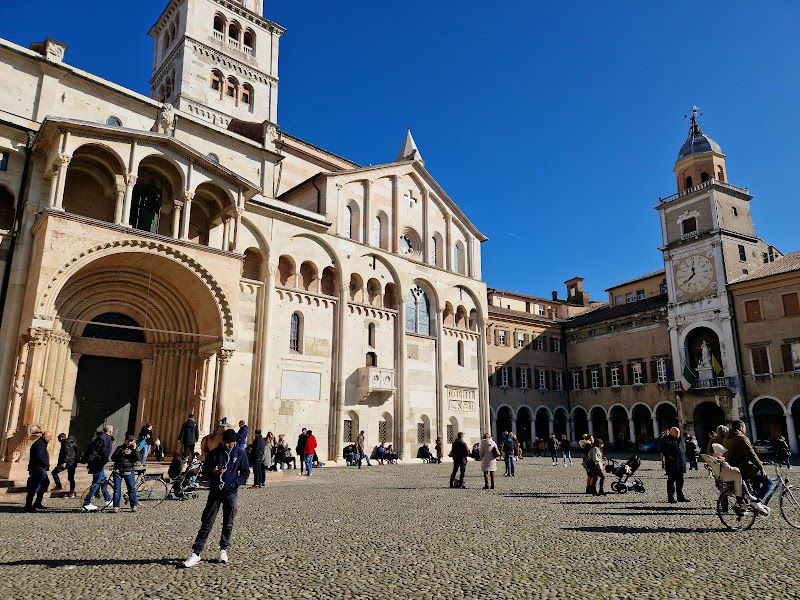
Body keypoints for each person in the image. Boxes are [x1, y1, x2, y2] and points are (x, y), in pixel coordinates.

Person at [184, 428, 250, 568]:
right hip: (215, 492)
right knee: (207, 522)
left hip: (230, 493)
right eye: (225, 442)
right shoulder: (215, 453)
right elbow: (205, 472)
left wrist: (234, 483)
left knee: (228, 522)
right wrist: (212, 471)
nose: (227, 444)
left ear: (234, 442)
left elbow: (245, 472)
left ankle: (223, 549)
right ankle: (196, 553)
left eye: (229, 442)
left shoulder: (240, 454)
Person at [707, 443, 768, 515]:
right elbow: (728, 468)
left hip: (723, 478)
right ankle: (748, 495)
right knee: (740, 477)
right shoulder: (721, 460)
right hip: (730, 478)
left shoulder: (715, 459)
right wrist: (737, 469)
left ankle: (742, 500)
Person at [723, 420, 772, 501]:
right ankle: (757, 502)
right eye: (745, 427)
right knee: (768, 482)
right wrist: (761, 467)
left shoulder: (726, 438)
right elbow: (751, 454)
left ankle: (753, 497)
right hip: (744, 468)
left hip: (733, 467)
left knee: (756, 481)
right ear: (741, 428)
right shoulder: (742, 438)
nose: (745, 430)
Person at [82, 425, 115, 512]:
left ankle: (108, 499)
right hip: (97, 463)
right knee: (97, 482)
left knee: (103, 481)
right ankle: (87, 503)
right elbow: (100, 451)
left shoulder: (102, 437)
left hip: (98, 463)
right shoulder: (104, 438)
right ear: (110, 431)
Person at [111, 435, 140, 513]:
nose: (129, 442)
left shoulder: (134, 449)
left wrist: (134, 450)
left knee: (131, 489)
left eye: (131, 441)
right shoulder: (120, 448)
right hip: (118, 471)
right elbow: (113, 458)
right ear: (125, 441)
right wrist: (123, 453)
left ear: (133, 442)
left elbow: (138, 459)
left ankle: (134, 505)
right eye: (128, 440)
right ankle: (116, 506)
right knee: (117, 489)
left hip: (129, 470)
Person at [24, 427, 50, 512]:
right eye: (50, 438)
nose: (50, 440)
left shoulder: (42, 443)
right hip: (38, 468)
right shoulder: (40, 444)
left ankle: (37, 502)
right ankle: (28, 505)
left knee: (45, 483)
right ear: (45, 437)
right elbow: (39, 456)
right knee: (34, 486)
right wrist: (45, 463)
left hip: (40, 467)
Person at [660, 426, 689, 503]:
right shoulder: (666, 440)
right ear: (671, 432)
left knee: (680, 481)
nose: (678, 433)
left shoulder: (678, 440)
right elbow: (665, 451)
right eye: (676, 432)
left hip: (680, 464)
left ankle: (680, 496)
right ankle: (671, 497)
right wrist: (672, 459)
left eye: (679, 432)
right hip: (672, 465)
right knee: (671, 481)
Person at [52, 433, 78, 497]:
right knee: (71, 478)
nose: (58, 440)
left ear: (61, 438)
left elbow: (67, 453)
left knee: (54, 472)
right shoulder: (72, 443)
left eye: (58, 439)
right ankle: (71, 491)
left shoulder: (65, 442)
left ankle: (60, 486)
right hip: (73, 462)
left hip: (67, 463)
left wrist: (64, 463)